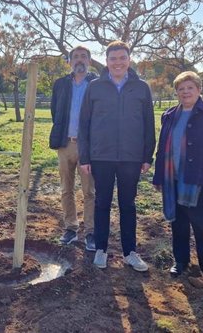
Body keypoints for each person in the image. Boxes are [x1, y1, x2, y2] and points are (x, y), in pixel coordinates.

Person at [78, 40, 155, 272]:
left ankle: (130, 252)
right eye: (113, 59)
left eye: (122, 58)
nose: (118, 63)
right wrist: (85, 157)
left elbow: (149, 124)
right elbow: (84, 123)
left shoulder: (141, 87)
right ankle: (101, 249)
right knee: (102, 202)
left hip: (131, 157)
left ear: (129, 60)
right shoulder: (95, 87)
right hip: (101, 156)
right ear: (107, 61)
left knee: (127, 205)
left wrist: (147, 156)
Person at [152, 71, 203, 289]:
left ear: (199, 90)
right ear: (176, 92)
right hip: (173, 180)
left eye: (190, 88)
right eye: (181, 89)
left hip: (199, 180)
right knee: (178, 223)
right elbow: (162, 149)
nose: (186, 92)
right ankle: (181, 261)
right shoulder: (169, 115)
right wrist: (159, 176)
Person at [49, 46, 97, 250]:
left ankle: (91, 232)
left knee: (90, 191)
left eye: (83, 57)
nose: (79, 60)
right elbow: (54, 110)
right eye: (75, 57)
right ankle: (70, 228)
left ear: (89, 61)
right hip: (65, 144)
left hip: (89, 146)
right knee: (66, 189)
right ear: (69, 61)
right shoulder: (60, 84)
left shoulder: (97, 84)